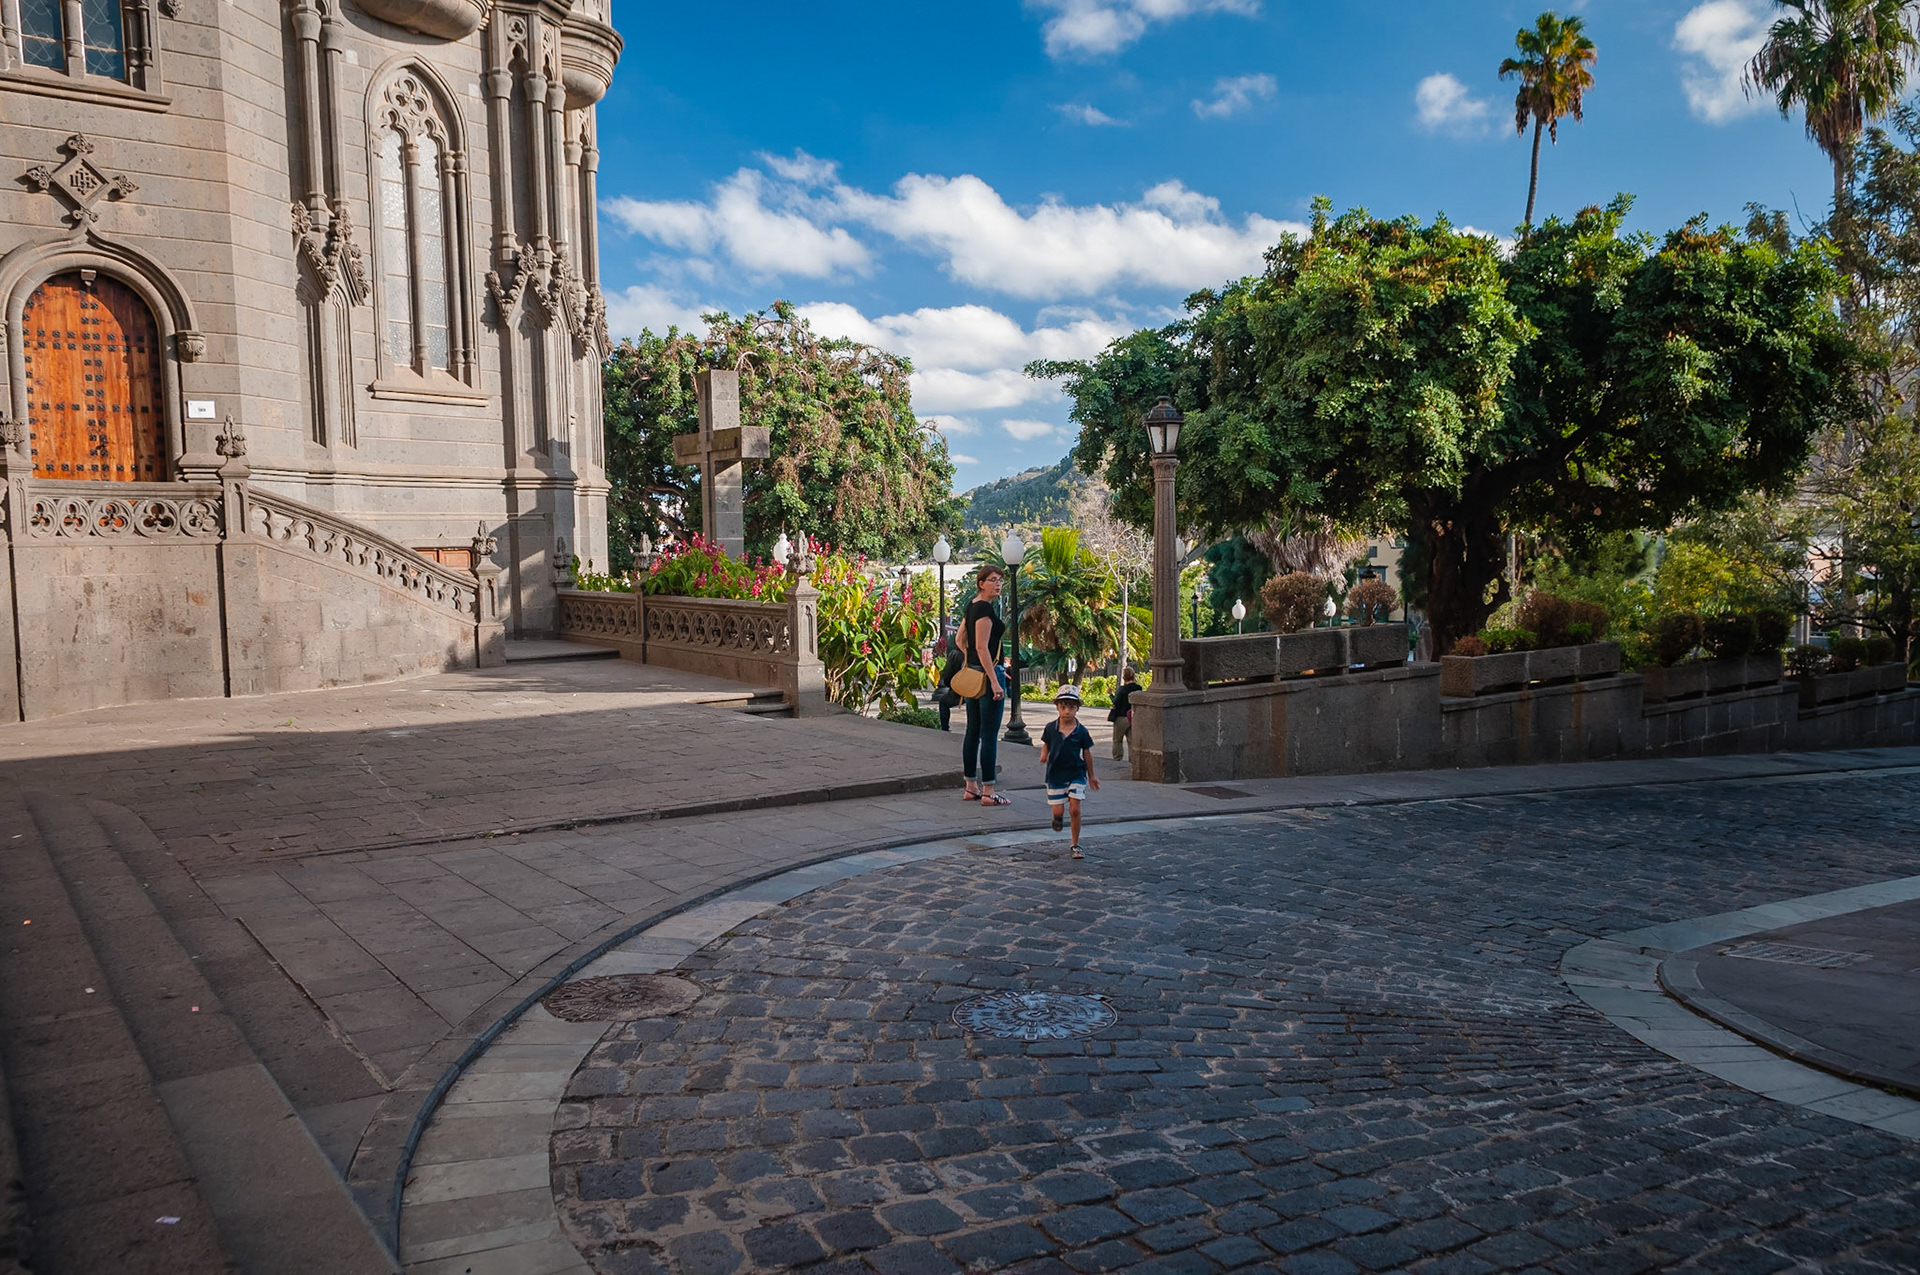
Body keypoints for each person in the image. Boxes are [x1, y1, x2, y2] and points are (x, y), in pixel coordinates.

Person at [959, 566, 1011, 806]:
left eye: (1000, 580)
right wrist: (993, 680)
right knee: (989, 735)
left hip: (972, 676)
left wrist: (970, 662)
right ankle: (989, 791)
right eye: (992, 580)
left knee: (973, 732)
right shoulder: (985, 610)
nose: (997, 584)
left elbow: (961, 640)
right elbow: (981, 647)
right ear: (981, 583)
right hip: (989, 676)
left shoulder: (971, 605)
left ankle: (971, 786)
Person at [1039, 685, 1099, 857]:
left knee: (1075, 809)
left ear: (1077, 708)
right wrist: (1044, 756)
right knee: (1058, 811)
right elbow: (1046, 744)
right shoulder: (1051, 728)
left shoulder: (1081, 731)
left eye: (1071, 707)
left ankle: (1075, 843)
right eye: (1063, 707)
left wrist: (1092, 776)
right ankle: (1057, 818)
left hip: (1076, 772)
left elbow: (1087, 753)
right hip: (1056, 774)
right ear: (1057, 707)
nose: (1067, 711)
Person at [934, 625, 965, 731]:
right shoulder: (977, 652)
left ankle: (945, 729)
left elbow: (948, 676)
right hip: (977, 688)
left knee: (943, 702)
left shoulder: (956, 654)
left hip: (960, 690)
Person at [1108, 665, 1143, 761]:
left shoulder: (1122, 689)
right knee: (1131, 740)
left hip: (1121, 717)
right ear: (1133, 676)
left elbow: (1115, 702)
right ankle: (1133, 760)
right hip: (1133, 716)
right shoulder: (1138, 688)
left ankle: (1117, 758)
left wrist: (1110, 694)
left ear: (1124, 677)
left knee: (1117, 740)